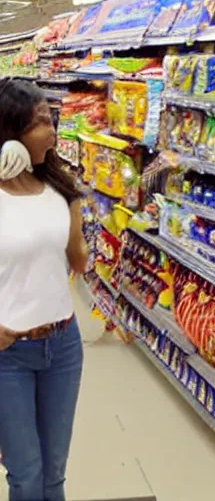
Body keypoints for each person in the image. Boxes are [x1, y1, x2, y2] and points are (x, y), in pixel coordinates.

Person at [0, 78, 89, 501]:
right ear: (10, 133)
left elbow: (78, 261)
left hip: (63, 344)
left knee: (54, 472)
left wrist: (74, 212)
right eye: (40, 123)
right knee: (26, 474)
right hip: (8, 355)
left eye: (52, 120)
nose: (53, 131)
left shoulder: (57, 189)